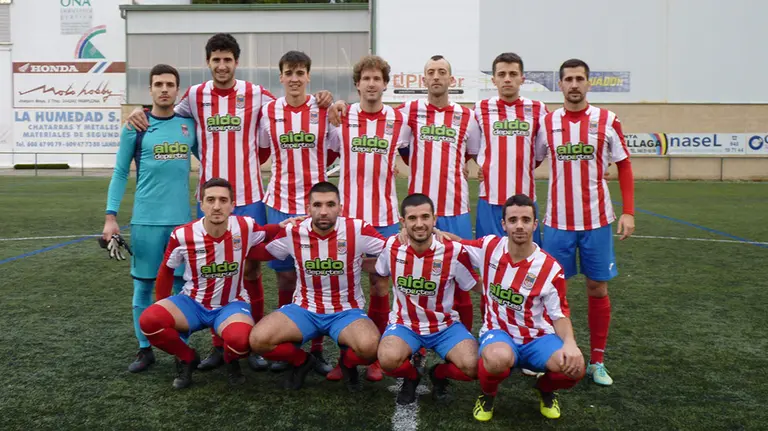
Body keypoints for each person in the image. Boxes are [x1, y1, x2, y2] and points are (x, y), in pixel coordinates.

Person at [125, 34, 335, 372]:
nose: (222, 66)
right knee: (208, 271)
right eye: (216, 60)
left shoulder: (257, 95)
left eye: (228, 60)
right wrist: (141, 111)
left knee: (249, 268)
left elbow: (288, 107)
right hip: (209, 200)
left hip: (250, 197)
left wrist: (326, 99)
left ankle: (249, 342)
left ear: (236, 62)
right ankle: (218, 345)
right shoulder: (194, 96)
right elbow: (165, 115)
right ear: (208, 62)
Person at [438, 194, 585, 420]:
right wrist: (421, 233)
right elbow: (455, 242)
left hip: (537, 337)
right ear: (504, 224)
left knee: (575, 368)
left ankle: (544, 389)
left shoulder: (549, 268)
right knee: (497, 359)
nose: (519, 226)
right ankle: (487, 395)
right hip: (498, 333)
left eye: (526, 220)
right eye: (513, 220)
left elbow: (559, 315)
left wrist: (570, 343)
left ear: (535, 225)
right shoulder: (489, 248)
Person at [535, 58, 636, 386]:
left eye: (580, 79)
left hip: (596, 221)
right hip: (557, 224)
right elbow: (532, 159)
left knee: (597, 288)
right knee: (551, 292)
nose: (574, 84)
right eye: (568, 79)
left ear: (588, 84)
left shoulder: (606, 120)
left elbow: (623, 165)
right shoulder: (547, 123)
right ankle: (551, 355)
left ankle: (597, 361)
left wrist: (629, 211)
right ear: (560, 85)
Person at [368, 54, 480, 334]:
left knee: (460, 277)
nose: (437, 77)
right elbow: (402, 148)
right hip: (418, 213)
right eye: (431, 72)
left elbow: (470, 153)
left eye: (442, 72)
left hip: (456, 209)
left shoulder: (467, 116)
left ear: (451, 79)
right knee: (413, 276)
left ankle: (463, 338)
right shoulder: (409, 111)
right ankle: (411, 336)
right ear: (424, 79)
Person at [137, 178, 286, 389]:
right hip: (193, 302)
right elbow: (166, 269)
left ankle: (230, 360)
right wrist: (161, 303)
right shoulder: (182, 235)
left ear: (232, 205)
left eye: (223, 200)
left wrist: (283, 227)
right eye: (211, 200)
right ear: (202, 204)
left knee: (242, 341)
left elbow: (265, 232)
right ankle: (187, 358)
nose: (217, 206)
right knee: (150, 321)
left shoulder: (244, 226)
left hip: (231, 303)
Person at [102, 64, 197, 373]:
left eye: (170, 84)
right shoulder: (136, 126)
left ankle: (181, 351)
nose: (164, 89)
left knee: (183, 288)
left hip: (182, 224)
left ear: (178, 91)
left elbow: (212, 156)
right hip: (145, 222)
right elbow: (119, 173)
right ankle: (145, 349)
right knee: (144, 288)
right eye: (159, 84)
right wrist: (110, 217)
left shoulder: (188, 125)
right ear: (151, 90)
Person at [247, 182, 385, 392]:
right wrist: (230, 243)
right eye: (317, 205)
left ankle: (346, 364)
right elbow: (261, 253)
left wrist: (432, 238)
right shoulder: (294, 231)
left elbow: (395, 252)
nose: (323, 211)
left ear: (340, 207)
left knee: (371, 348)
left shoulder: (357, 229)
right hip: (304, 309)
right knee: (258, 341)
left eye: (330, 204)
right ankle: (302, 361)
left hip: (346, 311)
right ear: (308, 207)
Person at [325, 54, 411, 382]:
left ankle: (377, 355)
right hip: (347, 219)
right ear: (357, 84)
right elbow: (329, 149)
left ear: (385, 84)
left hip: (385, 218)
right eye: (366, 78)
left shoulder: (399, 121)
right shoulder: (342, 117)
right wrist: (334, 104)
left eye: (378, 79)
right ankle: (347, 359)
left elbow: (412, 153)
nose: (372, 84)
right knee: (342, 286)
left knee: (379, 284)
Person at [257, 50, 336, 374]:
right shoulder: (269, 111)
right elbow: (262, 150)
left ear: (308, 76)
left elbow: (333, 148)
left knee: (316, 275)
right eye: (289, 72)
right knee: (285, 276)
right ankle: (289, 344)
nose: (294, 77)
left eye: (300, 72)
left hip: (315, 208)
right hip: (278, 203)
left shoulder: (322, 109)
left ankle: (316, 349)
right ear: (281, 76)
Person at [375, 193, 478, 406]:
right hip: (405, 324)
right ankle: (412, 376)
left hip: (445, 326)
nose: (419, 224)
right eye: (412, 218)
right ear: (402, 222)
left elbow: (473, 286)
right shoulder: (392, 246)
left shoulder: (453, 250)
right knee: (386, 359)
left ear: (435, 219)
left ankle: (438, 374)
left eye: (425, 217)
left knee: (474, 367)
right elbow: (380, 273)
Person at [474, 52, 546, 244]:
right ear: (493, 80)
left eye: (513, 74)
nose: (507, 79)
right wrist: (485, 165)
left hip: (525, 199)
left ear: (522, 79)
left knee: (528, 258)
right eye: (502, 74)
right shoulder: (480, 108)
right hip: (490, 198)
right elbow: (472, 146)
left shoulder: (538, 109)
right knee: (489, 256)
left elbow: (539, 153)